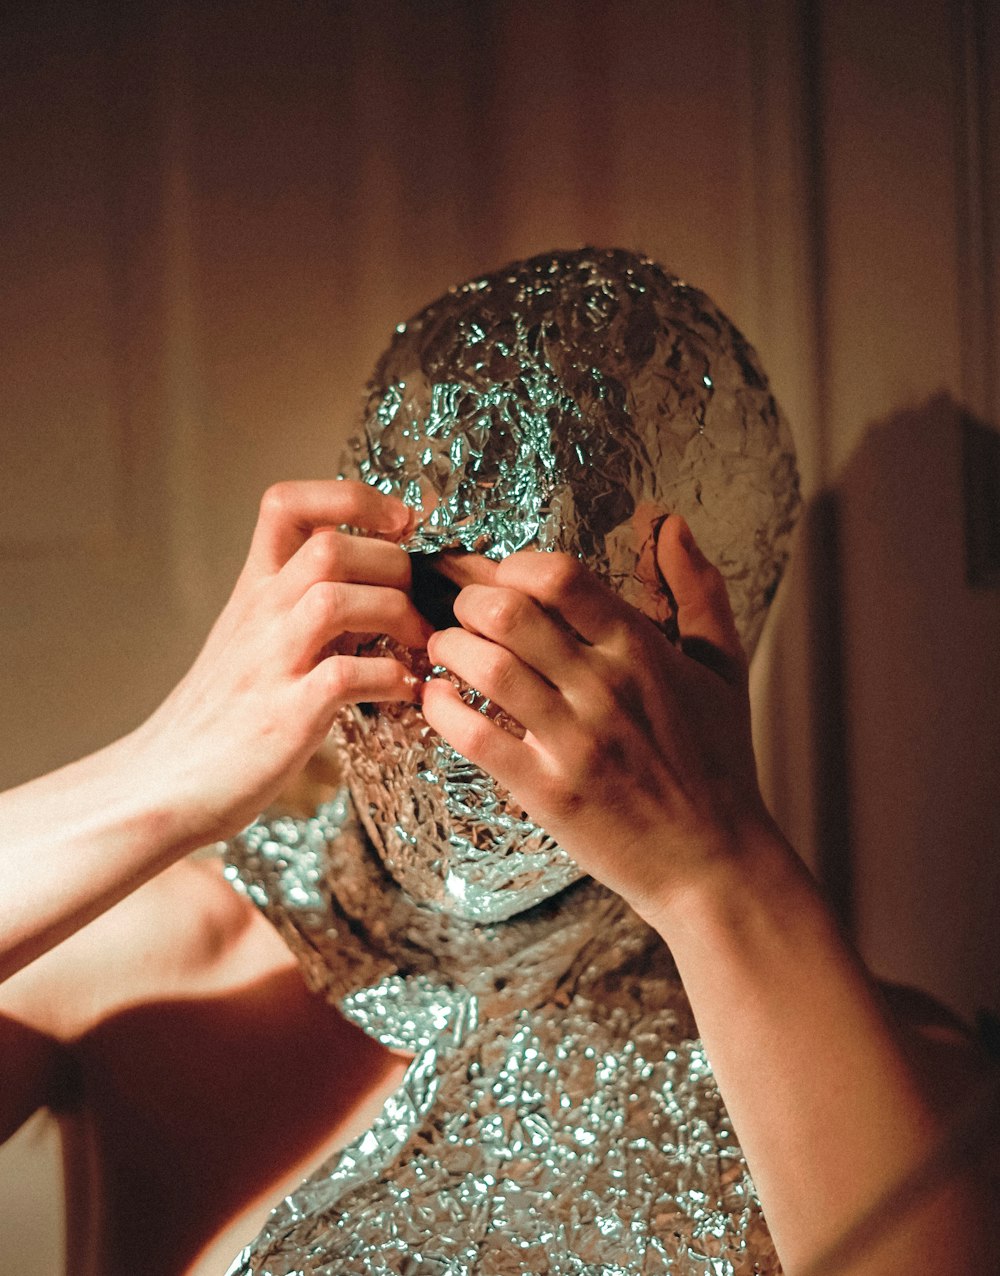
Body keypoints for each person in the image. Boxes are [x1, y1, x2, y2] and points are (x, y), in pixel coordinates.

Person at [0, 250, 992, 1276]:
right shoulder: (163, 962)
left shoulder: (872, 1076)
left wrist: (719, 875)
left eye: (555, 638)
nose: (466, 696)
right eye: (433, 591)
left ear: (692, 653)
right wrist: (161, 770)